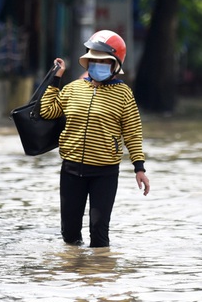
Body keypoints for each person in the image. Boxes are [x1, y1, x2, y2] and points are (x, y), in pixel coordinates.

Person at [39, 29, 150, 248]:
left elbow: (133, 132)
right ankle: (74, 274)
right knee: (69, 235)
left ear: (115, 65)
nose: (96, 65)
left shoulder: (124, 94)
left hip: (104, 173)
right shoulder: (73, 89)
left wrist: (139, 168)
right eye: (92, 60)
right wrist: (56, 78)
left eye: (103, 61)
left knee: (99, 233)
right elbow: (47, 111)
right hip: (71, 170)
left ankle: (99, 276)